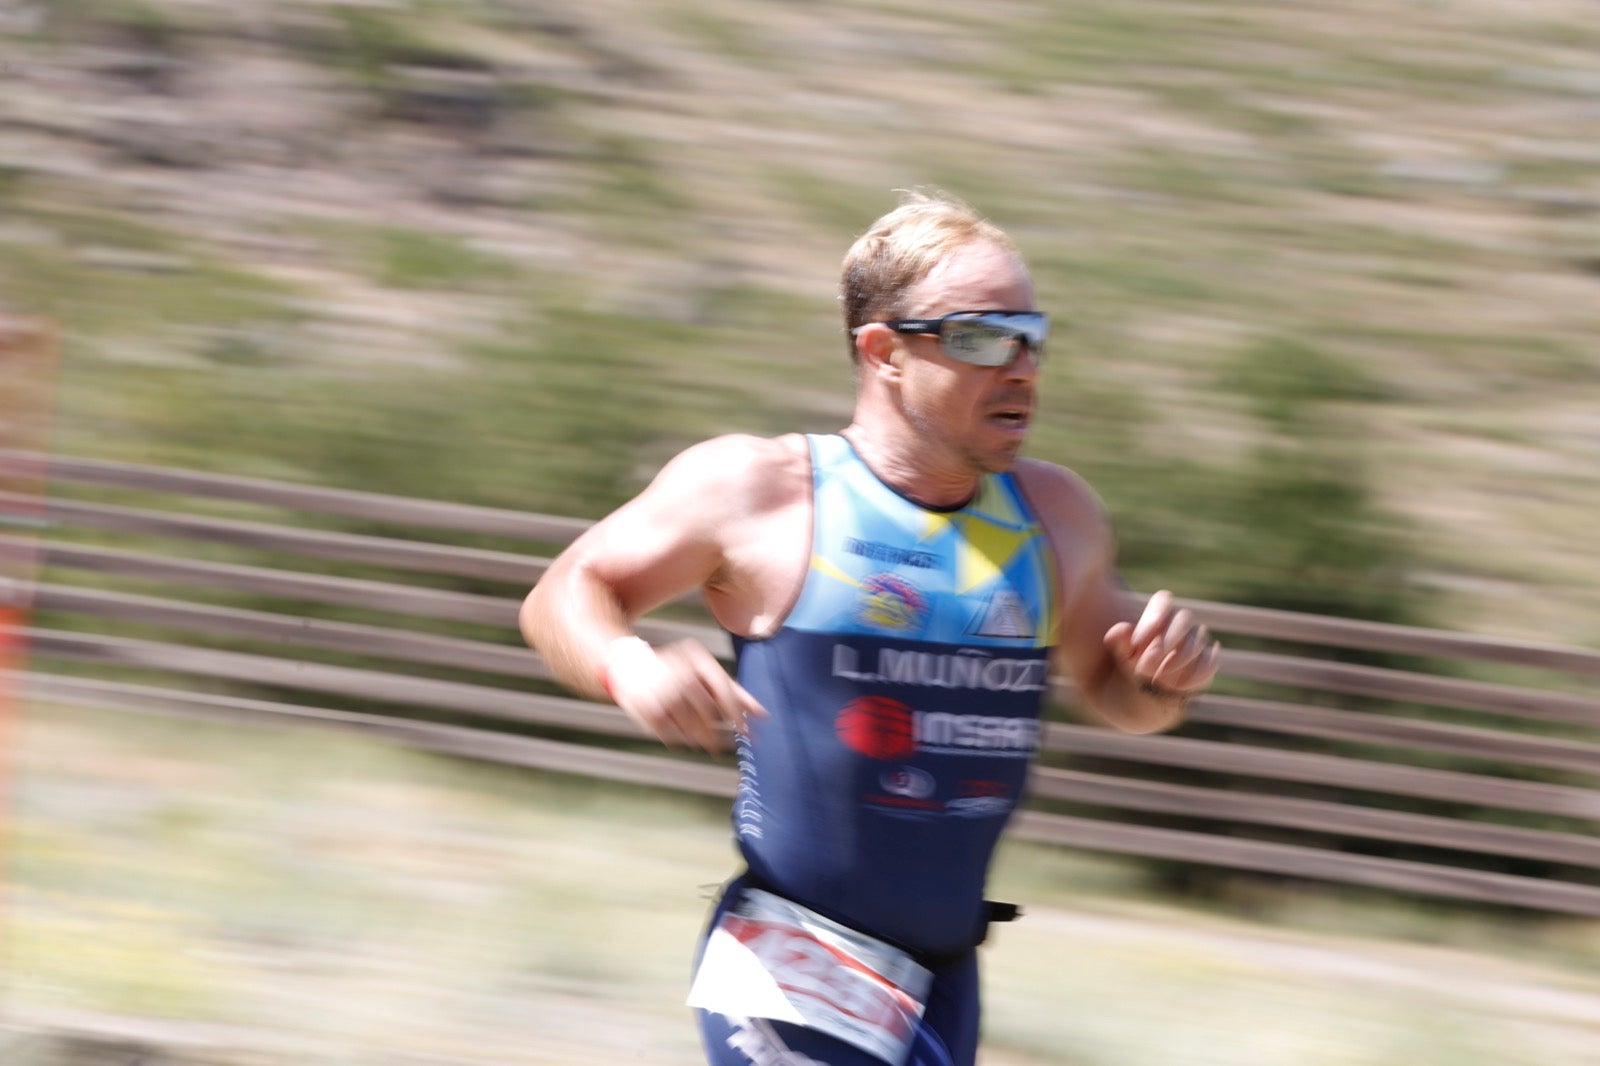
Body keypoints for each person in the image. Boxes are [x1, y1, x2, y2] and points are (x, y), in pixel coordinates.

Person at [520, 190, 1221, 1066]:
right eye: (981, 338)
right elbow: (566, 591)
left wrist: (1161, 683)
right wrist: (628, 664)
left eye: (1032, 336)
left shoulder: (1056, 515)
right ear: (885, 352)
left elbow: (1122, 698)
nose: (1022, 368)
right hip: (796, 952)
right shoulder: (761, 491)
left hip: (944, 977)